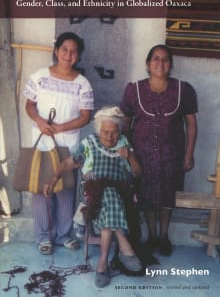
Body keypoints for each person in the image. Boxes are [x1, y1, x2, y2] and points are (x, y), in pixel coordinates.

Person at [43, 106, 142, 288]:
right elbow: (67, 163)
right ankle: (124, 248)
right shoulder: (89, 143)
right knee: (108, 195)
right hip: (93, 192)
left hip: (119, 193)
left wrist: (130, 158)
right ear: (98, 130)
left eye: (114, 133)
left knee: (111, 196)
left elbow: (137, 173)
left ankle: (102, 263)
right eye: (105, 132)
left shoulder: (124, 143)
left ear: (119, 131)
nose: (110, 137)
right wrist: (52, 181)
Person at [120, 44, 198, 256]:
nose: (160, 63)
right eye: (155, 58)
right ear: (147, 64)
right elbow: (125, 122)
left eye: (165, 59)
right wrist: (127, 153)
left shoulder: (184, 90)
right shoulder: (134, 90)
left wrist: (189, 154)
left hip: (172, 155)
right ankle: (151, 235)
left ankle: (163, 236)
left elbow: (191, 123)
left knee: (167, 195)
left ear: (170, 65)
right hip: (142, 155)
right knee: (146, 194)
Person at [23, 32, 94, 255]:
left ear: (78, 56)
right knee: (40, 190)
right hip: (42, 142)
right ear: (56, 51)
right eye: (64, 49)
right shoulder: (40, 76)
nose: (68, 54)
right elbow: (29, 105)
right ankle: (44, 237)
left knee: (65, 190)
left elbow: (86, 116)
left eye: (73, 51)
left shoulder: (83, 83)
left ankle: (64, 235)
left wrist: (61, 127)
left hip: (68, 144)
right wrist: (39, 121)